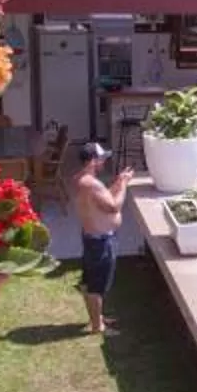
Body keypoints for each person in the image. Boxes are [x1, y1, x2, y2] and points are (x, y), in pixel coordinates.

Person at [68, 140, 134, 336]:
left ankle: (98, 318)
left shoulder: (82, 180)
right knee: (96, 285)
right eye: (101, 158)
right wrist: (124, 185)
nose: (104, 161)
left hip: (93, 238)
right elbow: (113, 206)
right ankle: (98, 327)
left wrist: (118, 181)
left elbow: (104, 198)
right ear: (92, 161)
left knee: (91, 281)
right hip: (100, 241)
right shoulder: (91, 184)